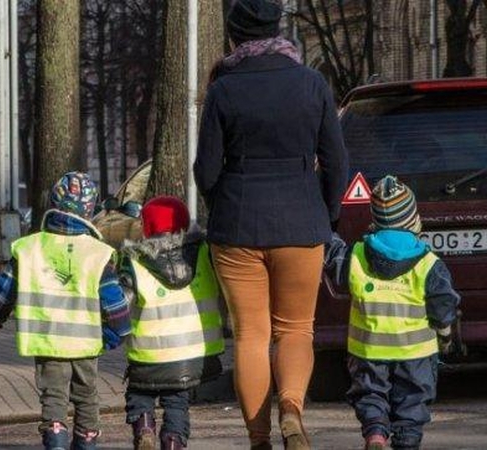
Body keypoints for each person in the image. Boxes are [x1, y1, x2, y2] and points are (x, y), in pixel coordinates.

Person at [192, 0, 349, 448]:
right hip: (302, 223)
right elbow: (337, 162)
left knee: (251, 335)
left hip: (238, 224)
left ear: (235, 36)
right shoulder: (312, 83)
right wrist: (326, 213)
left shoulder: (223, 90)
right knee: (297, 329)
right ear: (278, 32)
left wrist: (224, 203)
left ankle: (258, 437)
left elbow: (205, 170)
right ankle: (292, 411)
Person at [0, 172, 131, 450]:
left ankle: (55, 441)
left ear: (54, 202)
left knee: (53, 397)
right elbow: (113, 301)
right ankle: (87, 443)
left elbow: (6, 287)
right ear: (90, 210)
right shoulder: (96, 253)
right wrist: (118, 332)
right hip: (86, 343)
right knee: (87, 396)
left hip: (47, 339)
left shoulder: (30, 247)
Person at [324, 175, 461, 450]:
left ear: (375, 222)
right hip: (415, 355)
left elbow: (331, 256)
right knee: (412, 402)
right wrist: (446, 336)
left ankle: (375, 433)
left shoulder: (358, 256)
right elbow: (444, 305)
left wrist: (322, 224)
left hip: (368, 352)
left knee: (370, 395)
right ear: (414, 221)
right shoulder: (428, 264)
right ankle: (407, 443)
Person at [118, 196, 225, 450]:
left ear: (147, 226)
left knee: (140, 394)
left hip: (147, 354)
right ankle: (174, 441)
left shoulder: (135, 259)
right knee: (177, 401)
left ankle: (144, 427)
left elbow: (123, 302)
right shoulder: (204, 252)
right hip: (191, 354)